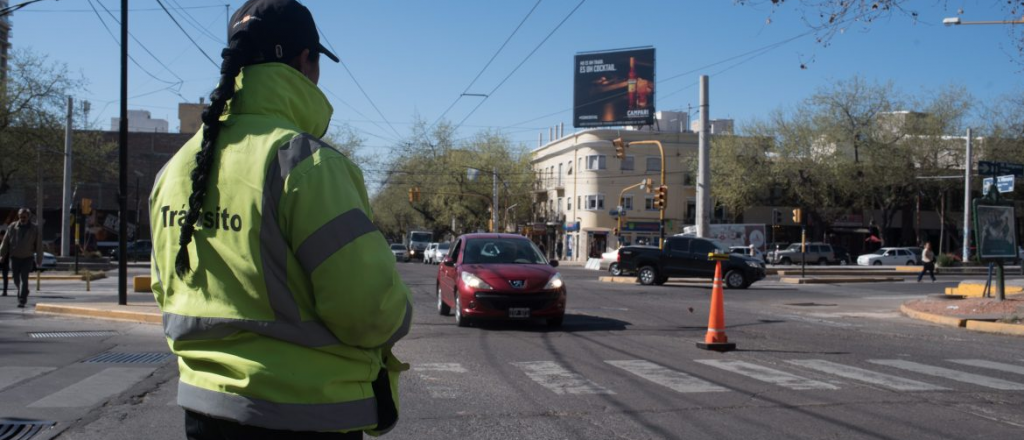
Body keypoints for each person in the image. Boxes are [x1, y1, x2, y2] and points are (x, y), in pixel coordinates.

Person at [149, 1, 412, 438]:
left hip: (202, 409)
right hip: (308, 415)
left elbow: (165, 288)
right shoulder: (305, 163)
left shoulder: (175, 169)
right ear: (305, 61)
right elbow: (368, 312)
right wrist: (402, 309)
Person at [0, 209, 41, 308]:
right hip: (14, 257)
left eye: (24, 217)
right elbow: (5, 242)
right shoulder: (12, 227)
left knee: (24, 278)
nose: (22, 219)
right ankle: (24, 290)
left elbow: (39, 244)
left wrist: (39, 258)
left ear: (28, 217)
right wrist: (1, 254)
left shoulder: (34, 228)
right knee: (15, 279)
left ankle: (22, 300)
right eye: (21, 217)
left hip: (27, 257)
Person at [0, 229, 8, 296]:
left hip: (5, 262)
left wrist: (3, 257)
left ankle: (5, 291)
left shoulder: (8, 243)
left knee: (5, 277)